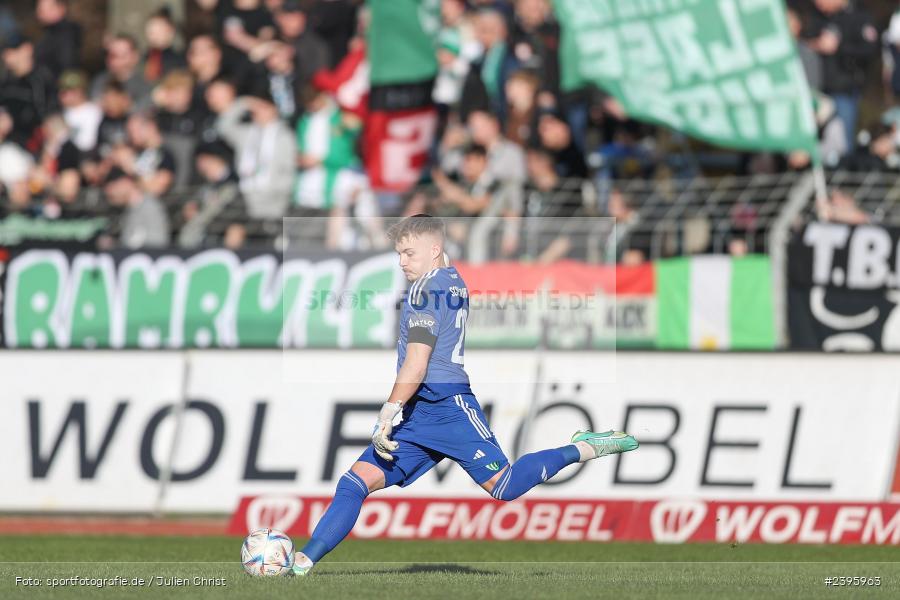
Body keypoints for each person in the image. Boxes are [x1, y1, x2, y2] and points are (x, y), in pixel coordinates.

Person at [291, 214, 639, 576]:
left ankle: (583, 447)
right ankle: (302, 563)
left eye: (409, 253)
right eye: (398, 254)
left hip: (449, 407)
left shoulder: (424, 290)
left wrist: (387, 412)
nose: (401, 262)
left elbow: (417, 363)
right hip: (420, 413)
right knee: (354, 483)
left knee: (504, 487)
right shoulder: (452, 279)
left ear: (434, 250)